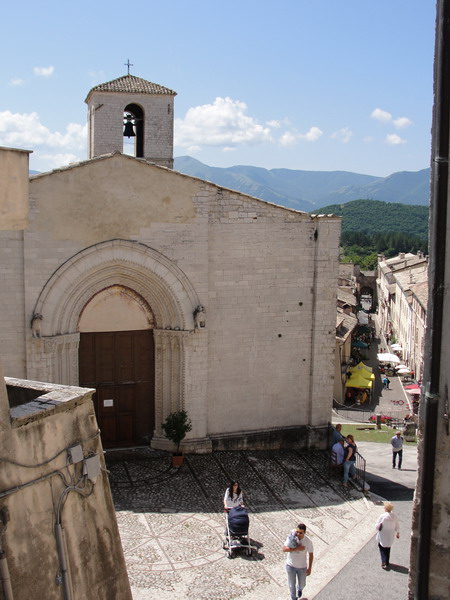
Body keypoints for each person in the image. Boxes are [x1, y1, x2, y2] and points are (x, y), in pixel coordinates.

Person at [282, 523, 314, 599]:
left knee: (302, 584)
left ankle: (299, 589)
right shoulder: (292, 538)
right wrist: (297, 549)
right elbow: (284, 549)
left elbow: (311, 555)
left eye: (301, 533)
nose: (298, 534)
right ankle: (294, 598)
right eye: (297, 532)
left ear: (304, 533)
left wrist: (309, 568)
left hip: (302, 567)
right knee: (291, 584)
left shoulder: (308, 541)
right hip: (290, 566)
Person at [375, 502, 400, 569]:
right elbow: (397, 525)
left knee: (381, 547)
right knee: (388, 548)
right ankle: (387, 561)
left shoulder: (383, 516)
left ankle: (384, 561)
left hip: (383, 533)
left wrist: (377, 528)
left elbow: (377, 524)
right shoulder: (394, 516)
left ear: (385, 508)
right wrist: (397, 533)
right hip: (390, 534)